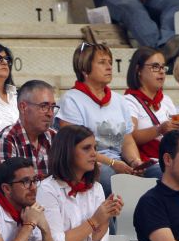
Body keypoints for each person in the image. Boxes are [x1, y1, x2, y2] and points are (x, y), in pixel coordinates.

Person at [36, 125, 130, 241]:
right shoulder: (47, 189)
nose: (94, 154)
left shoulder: (96, 188)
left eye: (95, 147)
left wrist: (105, 218)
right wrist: (94, 221)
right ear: (67, 152)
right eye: (86, 148)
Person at [57, 42, 142, 194]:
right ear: (84, 69)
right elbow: (75, 146)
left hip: (118, 162)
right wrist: (113, 163)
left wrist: (135, 162)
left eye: (110, 62)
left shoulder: (119, 100)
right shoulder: (71, 99)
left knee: (158, 173)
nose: (109, 67)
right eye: (102, 62)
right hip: (90, 164)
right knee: (109, 178)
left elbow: (127, 140)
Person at [125, 47, 179, 177]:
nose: (161, 72)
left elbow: (174, 134)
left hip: (171, 156)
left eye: (163, 67)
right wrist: (159, 130)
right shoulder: (129, 100)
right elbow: (131, 136)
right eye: (155, 67)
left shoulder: (166, 100)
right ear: (138, 70)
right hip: (149, 161)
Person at [0, 79, 59, 184]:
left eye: (52, 107)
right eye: (44, 106)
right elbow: (10, 190)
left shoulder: (55, 137)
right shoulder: (7, 139)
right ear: (23, 107)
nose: (50, 114)